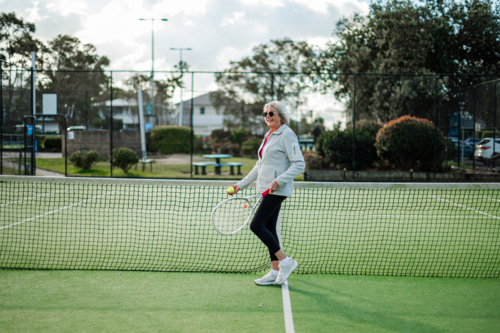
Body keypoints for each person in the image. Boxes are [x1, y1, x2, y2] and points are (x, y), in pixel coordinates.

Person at [227, 101, 305, 286]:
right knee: (269, 228)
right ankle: (274, 270)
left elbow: (299, 164)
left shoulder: (286, 134)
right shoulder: (269, 135)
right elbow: (258, 166)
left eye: (271, 113)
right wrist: (240, 185)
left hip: (277, 190)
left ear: (280, 115)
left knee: (256, 225)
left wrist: (279, 181)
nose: (268, 117)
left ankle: (286, 261)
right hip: (265, 190)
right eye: (265, 114)